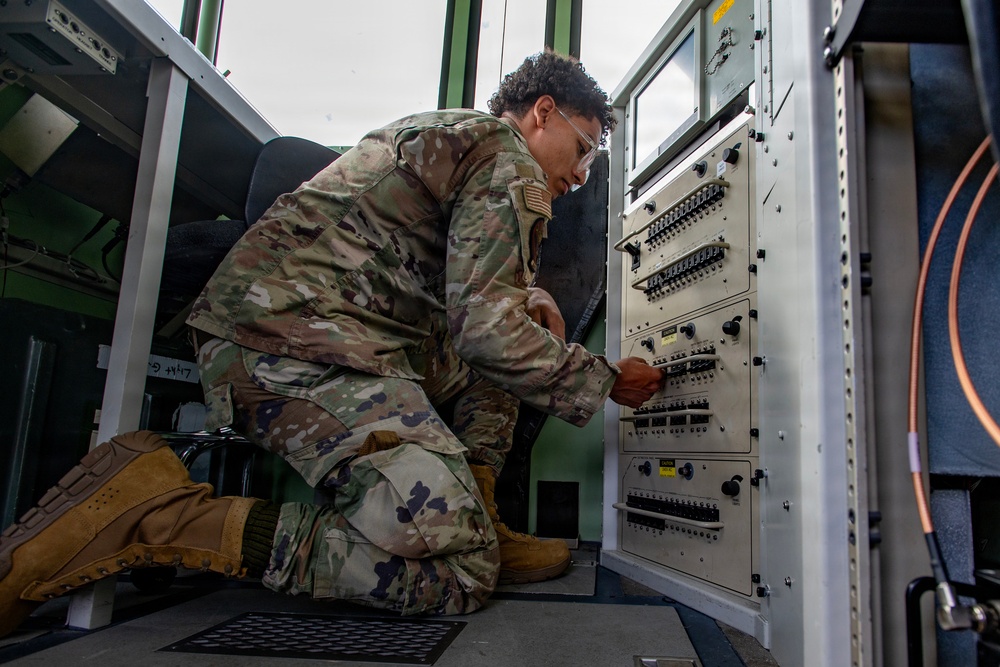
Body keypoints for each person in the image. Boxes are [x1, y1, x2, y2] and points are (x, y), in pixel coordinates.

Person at [0, 51, 664, 636]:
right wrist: (606, 380)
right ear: (543, 113)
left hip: (311, 329)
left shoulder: (463, 139)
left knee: (505, 367)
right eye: (584, 148)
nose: (583, 174)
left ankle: (477, 517)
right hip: (295, 342)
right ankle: (159, 514)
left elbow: (475, 311)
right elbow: (486, 331)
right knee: (460, 572)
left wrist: (529, 304)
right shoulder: (506, 158)